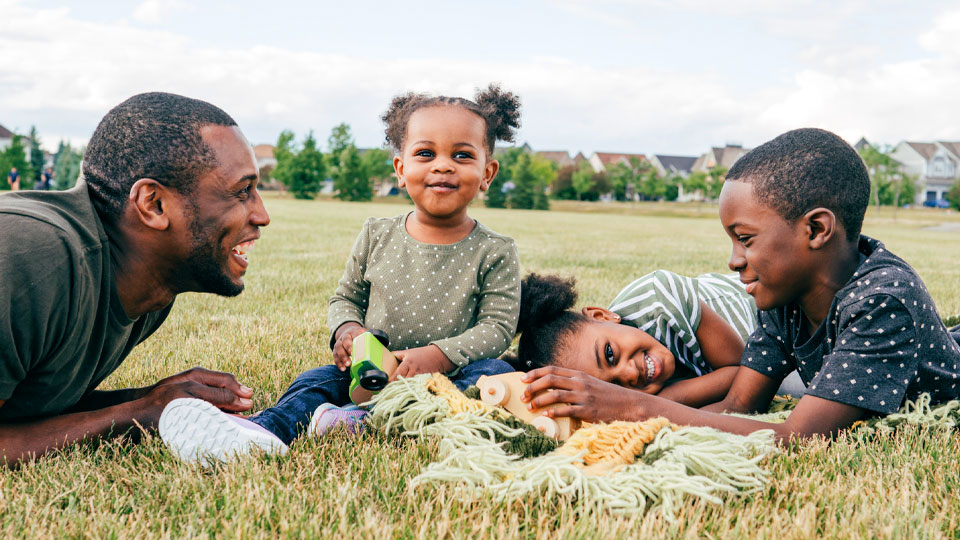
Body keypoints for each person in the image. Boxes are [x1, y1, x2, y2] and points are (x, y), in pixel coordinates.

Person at [159, 84, 523, 464]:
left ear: (487, 173)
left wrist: (439, 355)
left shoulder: (494, 250)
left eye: (462, 155)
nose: (442, 165)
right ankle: (263, 430)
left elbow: (497, 327)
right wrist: (348, 331)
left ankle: (373, 423)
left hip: (448, 379)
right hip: (372, 376)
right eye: (425, 153)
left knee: (494, 373)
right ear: (401, 169)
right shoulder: (376, 234)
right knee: (314, 382)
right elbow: (345, 299)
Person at [521, 128, 960, 442]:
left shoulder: (882, 301)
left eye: (745, 239)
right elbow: (739, 406)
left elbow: (796, 437)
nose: (733, 261)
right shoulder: (782, 299)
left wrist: (632, 407)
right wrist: (625, 430)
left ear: (816, 230)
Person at [0, 92, 270, 466]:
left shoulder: (150, 287)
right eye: (242, 192)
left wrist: (157, 399)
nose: (262, 215)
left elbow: (22, 410)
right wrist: (138, 413)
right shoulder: (32, 256)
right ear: (153, 204)